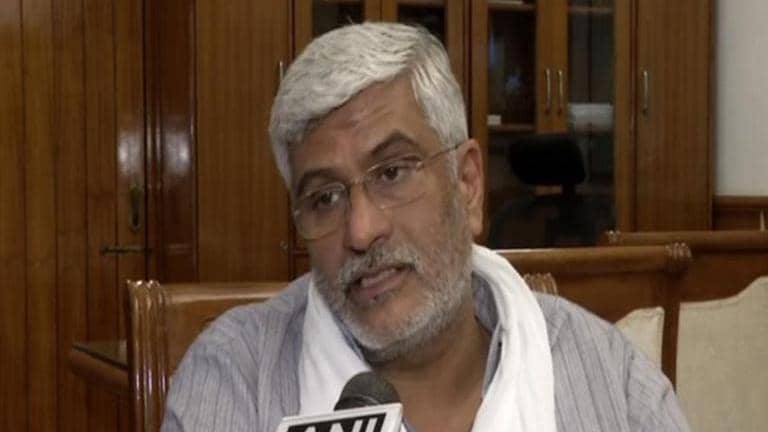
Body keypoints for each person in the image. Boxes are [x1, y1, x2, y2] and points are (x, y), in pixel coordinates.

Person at [161, 23, 690, 432]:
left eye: (392, 173)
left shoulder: (610, 378)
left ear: (468, 185)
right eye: (324, 198)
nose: (361, 231)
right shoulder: (235, 378)